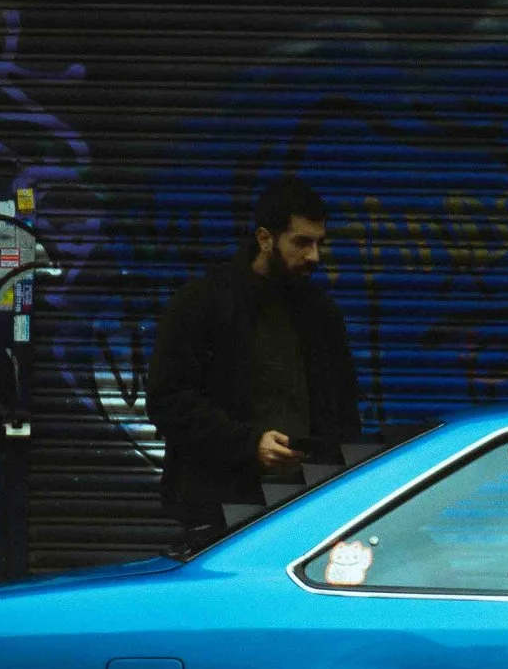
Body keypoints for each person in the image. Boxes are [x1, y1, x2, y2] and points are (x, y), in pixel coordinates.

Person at [148, 176, 362, 541]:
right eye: (301, 242)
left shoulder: (321, 315)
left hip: (306, 511)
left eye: (319, 243)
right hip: (221, 517)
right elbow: (168, 402)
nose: (314, 256)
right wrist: (249, 445)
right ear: (265, 239)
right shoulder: (204, 304)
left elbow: (344, 418)